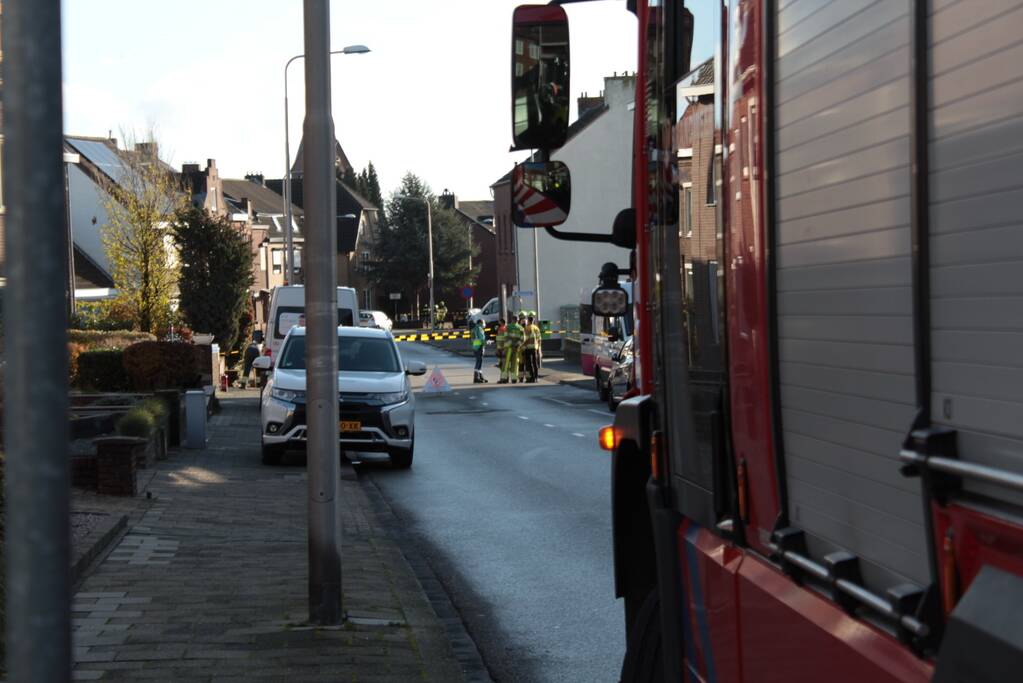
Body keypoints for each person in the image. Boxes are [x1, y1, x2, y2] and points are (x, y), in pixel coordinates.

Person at [502, 314, 525, 384]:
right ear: (518, 320)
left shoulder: (508, 327)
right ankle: (514, 379)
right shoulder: (521, 328)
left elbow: (505, 337)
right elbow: (522, 339)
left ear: (512, 319)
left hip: (509, 348)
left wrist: (511, 344)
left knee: (506, 363)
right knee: (515, 364)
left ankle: (504, 378)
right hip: (516, 348)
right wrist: (517, 345)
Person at [522, 315, 542, 383]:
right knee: (535, 363)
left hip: (528, 348)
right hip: (535, 348)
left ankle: (532, 378)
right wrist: (539, 348)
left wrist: (522, 347)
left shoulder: (527, 328)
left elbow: (526, 339)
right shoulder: (536, 328)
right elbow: (539, 339)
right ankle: (536, 378)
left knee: (529, 363)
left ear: (529, 320)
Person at [471, 318, 488, 384]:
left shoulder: (474, 329)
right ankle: (476, 377)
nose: (484, 324)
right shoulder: (480, 329)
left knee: (479, 361)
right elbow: (481, 339)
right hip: (480, 346)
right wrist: (487, 342)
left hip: (475, 346)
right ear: (480, 323)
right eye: (483, 322)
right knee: (479, 362)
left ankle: (480, 376)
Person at [516, 313, 529, 383]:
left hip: (523, 348)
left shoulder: (520, 328)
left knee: (523, 364)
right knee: (524, 364)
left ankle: (523, 378)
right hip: (524, 348)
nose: (524, 322)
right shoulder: (526, 328)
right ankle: (524, 378)